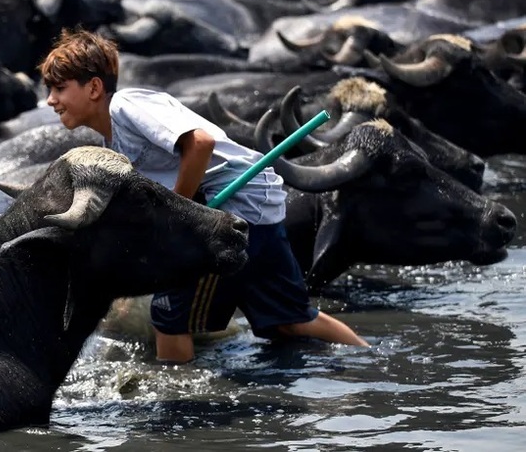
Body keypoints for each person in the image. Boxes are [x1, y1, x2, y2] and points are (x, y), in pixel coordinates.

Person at [38, 28, 368, 362]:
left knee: (169, 315)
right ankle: (368, 360)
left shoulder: (126, 105)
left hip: (232, 208)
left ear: (94, 88)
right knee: (291, 319)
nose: (51, 100)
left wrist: (175, 215)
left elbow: (199, 143)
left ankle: (177, 393)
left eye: (60, 88)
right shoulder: (112, 139)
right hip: (257, 204)